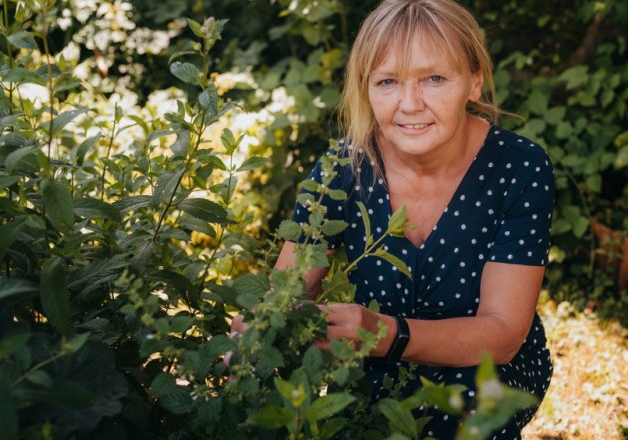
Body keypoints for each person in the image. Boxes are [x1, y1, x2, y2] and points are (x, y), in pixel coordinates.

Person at [237, 0, 554, 438]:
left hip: (487, 368)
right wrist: (258, 330)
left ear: (475, 81)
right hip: (374, 365)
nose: (409, 104)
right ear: (366, 88)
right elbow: (288, 290)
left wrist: (389, 335)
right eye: (388, 81)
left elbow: (501, 335)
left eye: (435, 78)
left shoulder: (520, 168)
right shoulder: (341, 170)